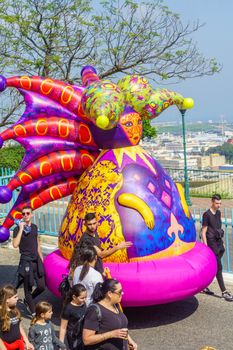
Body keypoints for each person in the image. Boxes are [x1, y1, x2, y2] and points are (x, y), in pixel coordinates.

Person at [83, 279, 137, 350]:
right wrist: (111, 334)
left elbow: (121, 328)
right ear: (110, 294)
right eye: (119, 292)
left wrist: (130, 341)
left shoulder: (115, 305)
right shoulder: (94, 311)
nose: (122, 293)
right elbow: (86, 340)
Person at [13, 206, 45, 315]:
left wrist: (42, 259)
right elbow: (15, 244)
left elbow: (37, 245)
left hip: (36, 260)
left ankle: (28, 300)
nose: (25, 215)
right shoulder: (17, 229)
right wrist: (21, 229)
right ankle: (34, 314)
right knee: (28, 288)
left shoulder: (35, 227)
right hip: (26, 261)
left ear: (32, 214)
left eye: (27, 213)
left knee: (41, 286)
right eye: (23, 214)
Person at [201, 194, 233, 301]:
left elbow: (218, 227)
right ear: (212, 202)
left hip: (219, 243)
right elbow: (203, 231)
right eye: (217, 203)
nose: (219, 205)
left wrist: (222, 241)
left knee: (213, 266)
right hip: (211, 243)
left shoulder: (218, 213)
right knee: (219, 267)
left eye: (220, 203)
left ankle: (204, 286)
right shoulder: (206, 214)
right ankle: (224, 292)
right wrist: (205, 246)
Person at [0, 284, 33, 350]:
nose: (17, 299)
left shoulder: (14, 310)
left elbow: (19, 326)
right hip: (6, 347)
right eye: (15, 297)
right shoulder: (1, 314)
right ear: (7, 299)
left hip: (18, 345)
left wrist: (27, 342)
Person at [59, 284, 87, 350]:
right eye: (82, 298)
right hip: (73, 337)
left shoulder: (83, 304)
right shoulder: (68, 309)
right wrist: (61, 344)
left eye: (85, 297)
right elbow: (63, 327)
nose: (84, 299)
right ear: (74, 297)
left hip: (83, 334)